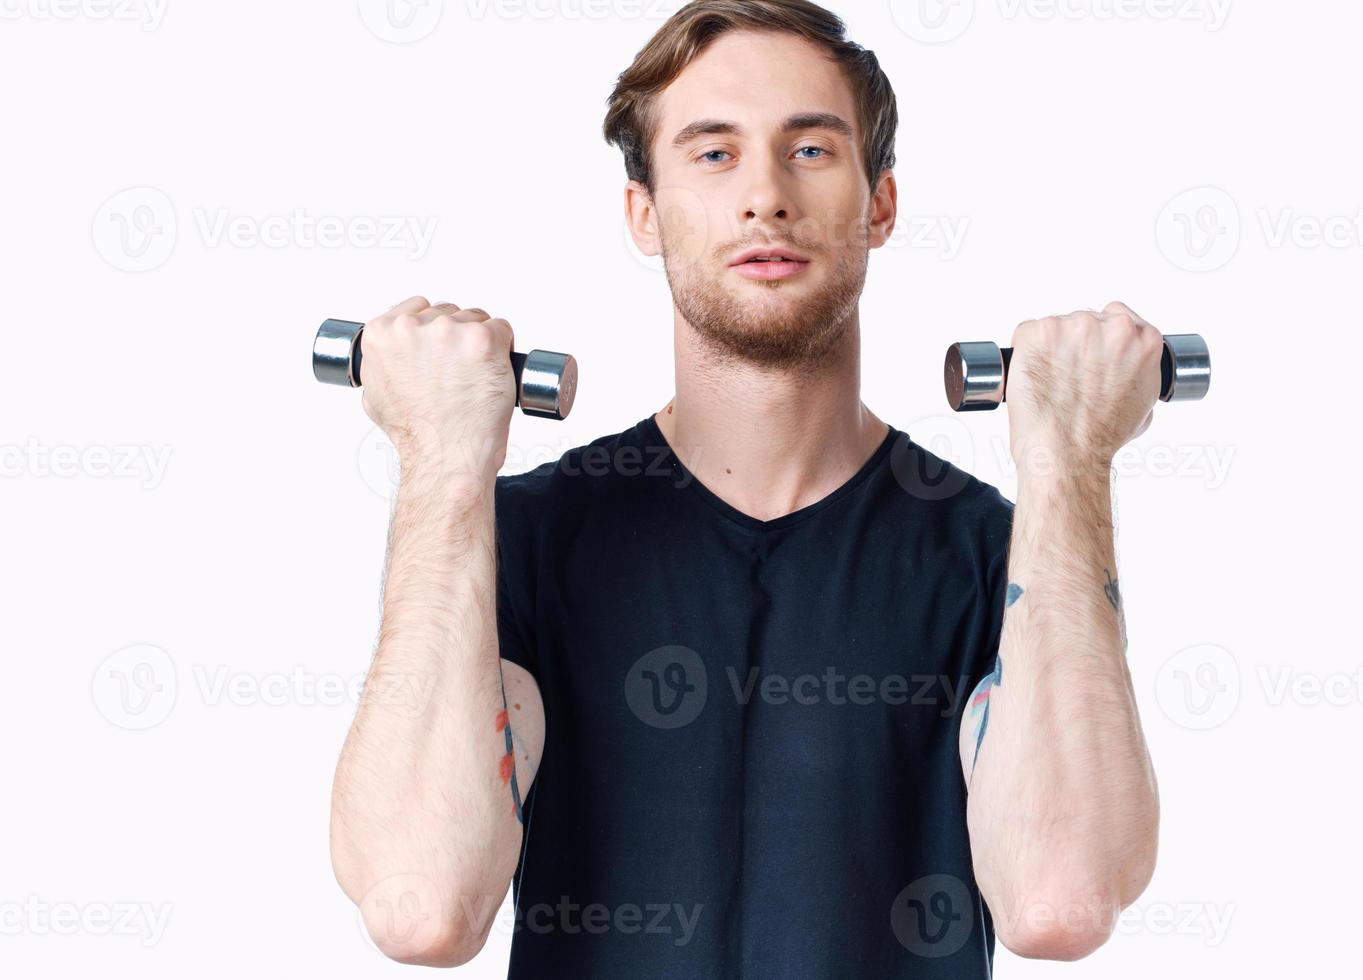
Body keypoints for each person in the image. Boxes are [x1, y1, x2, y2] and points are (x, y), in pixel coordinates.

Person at [328, 2, 1162, 976]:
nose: (765, 193)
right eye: (713, 154)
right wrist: (441, 456)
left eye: (810, 149)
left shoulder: (998, 555)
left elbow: (1060, 900)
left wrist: (1068, 454)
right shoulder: (521, 540)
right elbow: (420, 906)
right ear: (645, 211)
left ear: (878, 200)